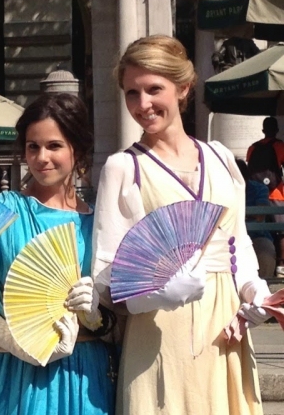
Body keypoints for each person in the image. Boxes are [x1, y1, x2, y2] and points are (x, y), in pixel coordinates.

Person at [92, 34, 272, 414]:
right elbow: (107, 277)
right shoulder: (124, 168)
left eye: (153, 89)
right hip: (160, 335)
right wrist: (160, 293)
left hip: (225, 329)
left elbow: (238, 243)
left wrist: (255, 293)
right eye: (131, 93)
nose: (142, 105)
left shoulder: (222, 158)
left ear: (184, 87)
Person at [0, 93, 117, 415]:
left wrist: (97, 321)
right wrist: (23, 345)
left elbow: (120, 311)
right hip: (13, 375)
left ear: (77, 149)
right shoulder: (0, 214)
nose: (42, 157)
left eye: (54, 145)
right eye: (33, 146)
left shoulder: (101, 223)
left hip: (86, 375)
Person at [247, 116, 284, 266]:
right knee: (281, 231)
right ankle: (281, 265)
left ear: (263, 130)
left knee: (260, 229)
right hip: (276, 194)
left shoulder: (253, 147)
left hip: (256, 195)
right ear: (277, 130)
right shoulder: (280, 145)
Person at [236, 159, 277, 279]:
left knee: (266, 254)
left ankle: (264, 290)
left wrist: (238, 214)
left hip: (257, 235)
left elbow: (260, 215)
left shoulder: (259, 188)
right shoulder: (222, 188)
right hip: (230, 236)